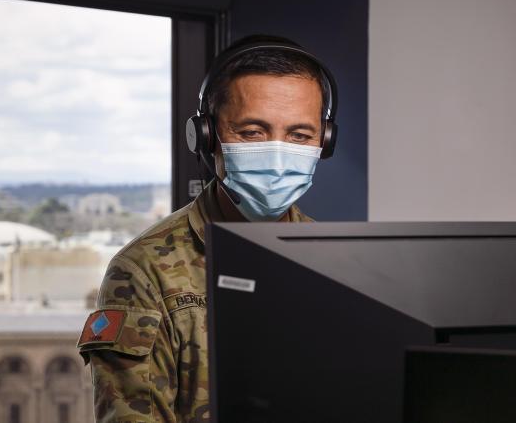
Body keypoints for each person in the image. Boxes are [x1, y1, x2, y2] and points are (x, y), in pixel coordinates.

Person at [77, 34, 338, 422]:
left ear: (324, 141)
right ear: (206, 137)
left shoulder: (336, 258)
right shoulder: (143, 271)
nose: (278, 154)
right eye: (252, 132)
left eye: (299, 135)